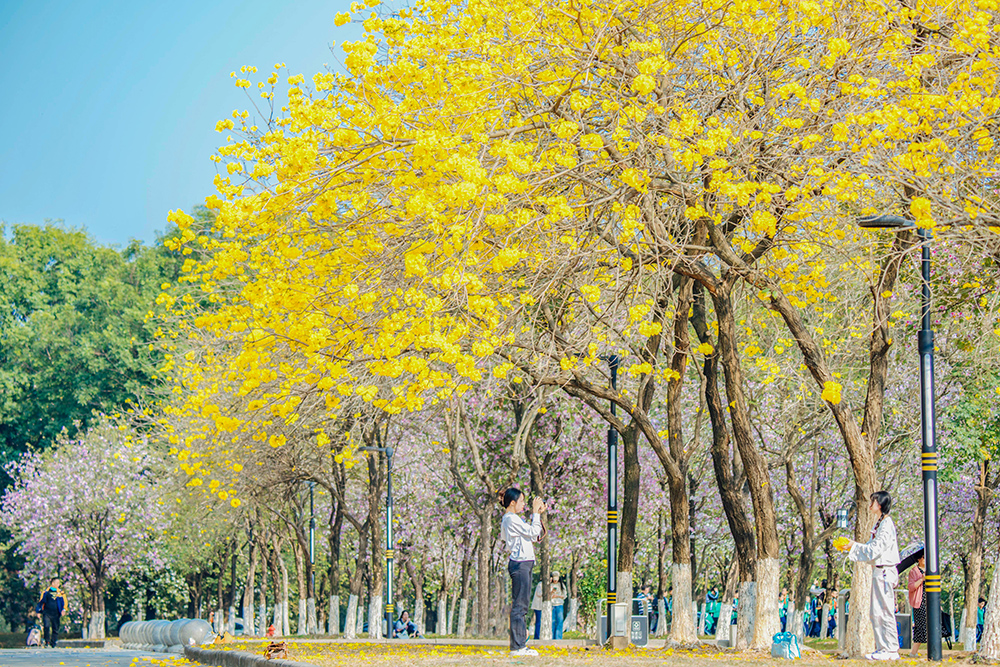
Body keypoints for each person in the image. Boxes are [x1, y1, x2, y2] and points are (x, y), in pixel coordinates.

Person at [839, 491, 900, 661]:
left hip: (885, 571)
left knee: (885, 611)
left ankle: (891, 649)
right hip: (879, 571)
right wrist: (852, 547)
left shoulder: (887, 525)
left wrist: (854, 546)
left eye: (873, 501)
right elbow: (871, 546)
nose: (870, 504)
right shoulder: (880, 523)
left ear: (879, 504)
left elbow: (875, 549)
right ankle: (883, 648)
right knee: (876, 612)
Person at [500, 487, 544, 657]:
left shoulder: (511, 519)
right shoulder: (511, 519)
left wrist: (537, 515)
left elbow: (533, 535)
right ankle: (518, 647)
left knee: (522, 605)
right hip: (520, 564)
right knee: (520, 606)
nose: (524, 504)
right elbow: (533, 531)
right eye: (522, 501)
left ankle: (519, 643)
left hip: (521, 563)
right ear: (513, 502)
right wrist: (535, 513)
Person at [37, 578, 66, 648]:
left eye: (59, 583)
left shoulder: (60, 593)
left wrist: (64, 609)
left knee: (55, 628)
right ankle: (47, 641)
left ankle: (53, 643)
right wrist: (38, 611)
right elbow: (41, 602)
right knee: (46, 626)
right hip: (47, 613)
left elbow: (64, 602)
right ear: (53, 583)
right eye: (57, 583)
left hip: (56, 613)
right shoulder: (46, 592)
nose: (58, 584)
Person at [907, 553, 927, 657]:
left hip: (929, 602)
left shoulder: (930, 570)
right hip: (920, 602)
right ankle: (913, 652)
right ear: (919, 559)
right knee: (921, 627)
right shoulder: (914, 571)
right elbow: (911, 587)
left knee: (930, 626)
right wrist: (921, 579)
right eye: (924, 557)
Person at [550, 571, 566, 640]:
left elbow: (564, 595)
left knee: (559, 621)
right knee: (552, 622)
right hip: (552, 605)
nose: (555, 580)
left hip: (559, 605)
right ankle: (552, 637)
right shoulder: (550, 585)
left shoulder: (561, 585)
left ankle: (558, 638)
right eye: (554, 579)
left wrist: (558, 596)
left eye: (556, 579)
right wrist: (552, 592)